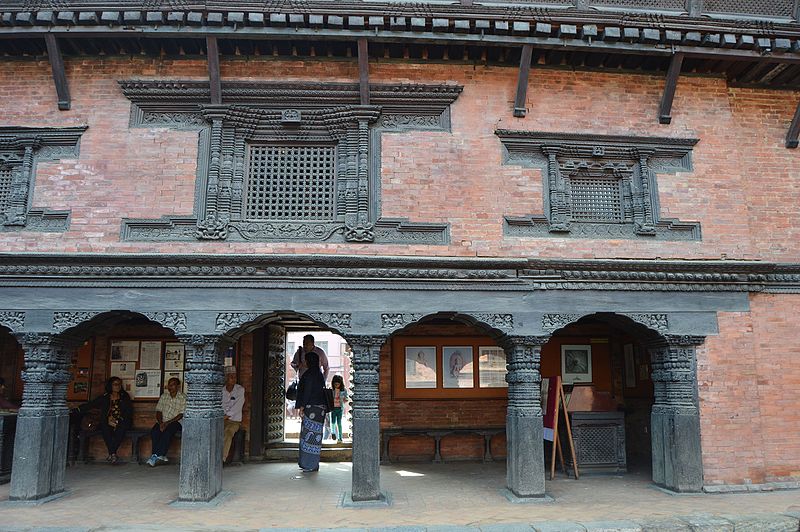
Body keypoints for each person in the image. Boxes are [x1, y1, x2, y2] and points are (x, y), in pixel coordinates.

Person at [74, 376, 133, 464]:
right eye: (115, 384)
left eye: (119, 384)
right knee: (105, 429)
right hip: (107, 421)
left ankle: (112, 453)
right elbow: (91, 404)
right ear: (110, 386)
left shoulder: (124, 397)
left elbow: (129, 411)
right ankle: (113, 453)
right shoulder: (105, 397)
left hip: (121, 420)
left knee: (121, 429)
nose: (118, 386)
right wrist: (78, 409)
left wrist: (118, 420)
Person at [295, 350, 326, 472]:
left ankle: (308, 464)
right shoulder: (319, 374)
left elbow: (307, 392)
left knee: (308, 437)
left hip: (311, 409)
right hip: (320, 410)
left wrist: (302, 406)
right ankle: (314, 464)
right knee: (316, 437)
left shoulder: (308, 375)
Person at [146, 377, 186, 467]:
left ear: (178, 386)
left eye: (173, 385)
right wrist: (161, 423)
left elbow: (181, 414)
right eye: (169, 385)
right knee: (155, 432)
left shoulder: (183, 397)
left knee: (167, 432)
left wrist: (167, 423)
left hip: (176, 422)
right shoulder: (164, 396)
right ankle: (159, 455)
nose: (170, 387)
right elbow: (159, 411)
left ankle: (155, 455)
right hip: (162, 421)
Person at [222, 366, 245, 464]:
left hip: (234, 421)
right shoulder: (221, 390)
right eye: (231, 377)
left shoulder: (240, 390)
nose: (234, 379)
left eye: (234, 377)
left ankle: (222, 458)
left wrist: (226, 416)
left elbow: (237, 406)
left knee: (228, 432)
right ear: (226, 378)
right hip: (221, 419)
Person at [329, 374, 348, 443]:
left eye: (338, 384)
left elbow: (346, 398)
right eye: (335, 384)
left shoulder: (344, 390)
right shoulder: (331, 390)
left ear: (341, 384)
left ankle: (340, 437)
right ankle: (333, 433)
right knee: (333, 422)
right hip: (333, 408)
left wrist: (344, 399)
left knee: (339, 423)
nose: (336, 385)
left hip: (340, 408)